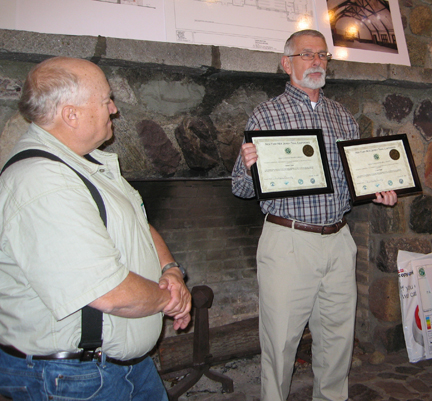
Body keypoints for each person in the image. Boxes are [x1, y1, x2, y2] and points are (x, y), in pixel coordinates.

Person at [0, 57, 191, 400]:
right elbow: (108, 292)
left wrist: (171, 270)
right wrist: (171, 299)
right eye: (105, 100)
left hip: (120, 367)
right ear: (71, 114)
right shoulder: (43, 183)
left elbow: (138, 223)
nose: (115, 109)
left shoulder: (84, 165)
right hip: (74, 377)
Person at [232, 29, 397, 401]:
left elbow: (352, 185)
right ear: (286, 63)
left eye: (323, 55)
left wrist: (378, 191)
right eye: (307, 54)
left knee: (338, 342)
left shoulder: (342, 117)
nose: (317, 62)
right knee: (280, 345)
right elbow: (241, 190)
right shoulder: (267, 114)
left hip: (339, 242)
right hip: (288, 241)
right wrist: (245, 167)